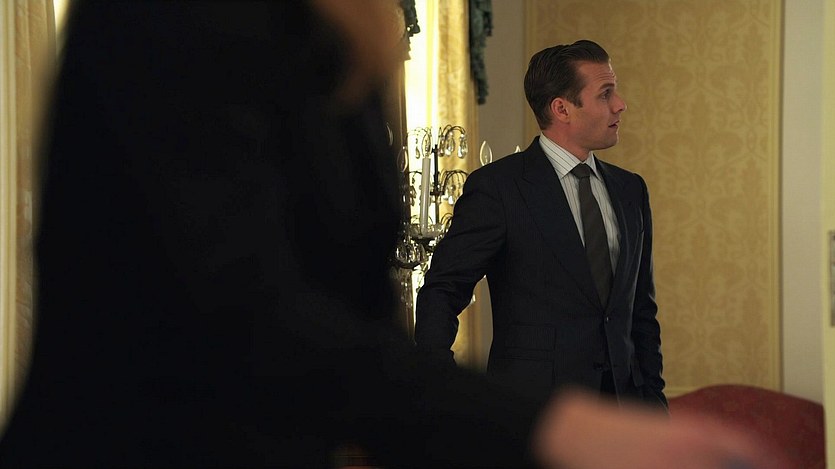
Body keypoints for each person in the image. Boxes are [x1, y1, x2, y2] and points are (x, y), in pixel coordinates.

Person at [0, 3, 783, 468]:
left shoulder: (355, 33)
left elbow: (359, 307)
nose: (619, 106)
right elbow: (246, 315)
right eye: (604, 93)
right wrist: (548, 425)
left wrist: (644, 414)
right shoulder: (169, 21)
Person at [415, 40, 667, 410]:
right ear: (562, 109)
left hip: (624, 411)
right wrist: (442, 383)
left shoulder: (631, 190)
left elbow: (641, 311)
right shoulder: (499, 188)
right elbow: (444, 289)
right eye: (605, 94)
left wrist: (655, 404)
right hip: (532, 412)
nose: (620, 104)